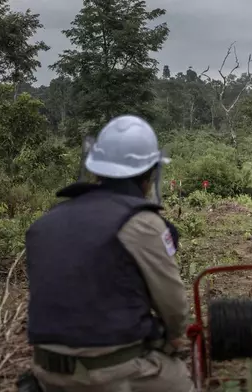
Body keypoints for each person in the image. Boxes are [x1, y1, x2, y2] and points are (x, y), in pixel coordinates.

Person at [24, 115, 194, 392]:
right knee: (181, 380)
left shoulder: (46, 222)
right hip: (111, 373)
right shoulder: (142, 223)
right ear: (149, 176)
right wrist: (174, 337)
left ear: (96, 171)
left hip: (46, 372)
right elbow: (173, 305)